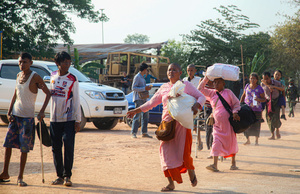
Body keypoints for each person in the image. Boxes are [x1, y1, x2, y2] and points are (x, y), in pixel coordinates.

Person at [127, 63, 206, 191]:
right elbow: (151, 103)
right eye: (169, 70)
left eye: (174, 70)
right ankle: (170, 183)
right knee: (165, 154)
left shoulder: (186, 85)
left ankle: (191, 172)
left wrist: (197, 105)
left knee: (184, 154)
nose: (171, 72)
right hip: (166, 126)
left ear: (180, 73)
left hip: (182, 125)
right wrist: (135, 111)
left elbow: (201, 97)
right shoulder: (164, 87)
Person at [0, 52, 51, 186]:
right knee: (8, 145)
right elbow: (15, 94)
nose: (22, 64)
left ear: (31, 63)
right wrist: (9, 111)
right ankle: (5, 173)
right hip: (15, 116)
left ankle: (20, 177)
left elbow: (48, 93)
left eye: (25, 62)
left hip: (27, 118)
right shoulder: (18, 76)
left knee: (24, 148)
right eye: (20, 62)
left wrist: (41, 112)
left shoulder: (35, 77)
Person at [50, 51, 81, 187]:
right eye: (65, 62)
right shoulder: (52, 76)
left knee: (68, 146)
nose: (68, 65)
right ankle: (59, 176)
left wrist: (78, 120)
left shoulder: (73, 79)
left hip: (68, 119)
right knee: (56, 148)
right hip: (54, 119)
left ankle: (67, 176)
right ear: (58, 63)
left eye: (69, 62)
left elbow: (76, 99)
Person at [198, 76, 240, 172]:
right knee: (215, 141)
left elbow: (236, 103)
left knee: (231, 142)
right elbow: (200, 89)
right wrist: (206, 78)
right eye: (214, 82)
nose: (215, 84)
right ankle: (214, 164)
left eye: (218, 82)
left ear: (223, 84)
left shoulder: (228, 92)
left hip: (228, 124)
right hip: (217, 125)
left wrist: (235, 112)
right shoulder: (212, 93)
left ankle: (233, 163)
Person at [240, 72, 266, 145]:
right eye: (251, 78)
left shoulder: (259, 88)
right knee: (246, 124)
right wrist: (240, 104)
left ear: (257, 80)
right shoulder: (247, 86)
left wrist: (258, 99)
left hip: (256, 109)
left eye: (254, 79)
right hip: (247, 108)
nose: (252, 80)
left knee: (256, 124)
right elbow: (243, 96)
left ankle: (256, 141)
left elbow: (264, 99)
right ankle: (248, 140)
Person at [183, 64, 203, 150]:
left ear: (195, 71)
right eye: (188, 70)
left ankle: (199, 141)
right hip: (186, 105)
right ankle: (186, 143)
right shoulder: (184, 80)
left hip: (195, 104)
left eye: (191, 70)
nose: (190, 72)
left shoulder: (199, 80)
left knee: (196, 125)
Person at [131, 63, 152, 138]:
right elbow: (133, 88)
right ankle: (133, 133)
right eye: (147, 70)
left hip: (144, 99)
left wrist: (146, 88)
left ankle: (144, 132)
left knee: (145, 115)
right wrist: (144, 88)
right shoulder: (137, 77)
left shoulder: (142, 77)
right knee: (137, 115)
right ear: (144, 69)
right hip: (138, 99)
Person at [261, 71, 284, 140]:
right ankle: (272, 134)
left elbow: (283, 89)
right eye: (264, 79)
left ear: (270, 77)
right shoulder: (262, 84)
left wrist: (274, 87)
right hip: (268, 102)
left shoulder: (277, 83)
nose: (266, 80)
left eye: (267, 78)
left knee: (276, 117)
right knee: (269, 118)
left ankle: (277, 130)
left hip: (276, 101)